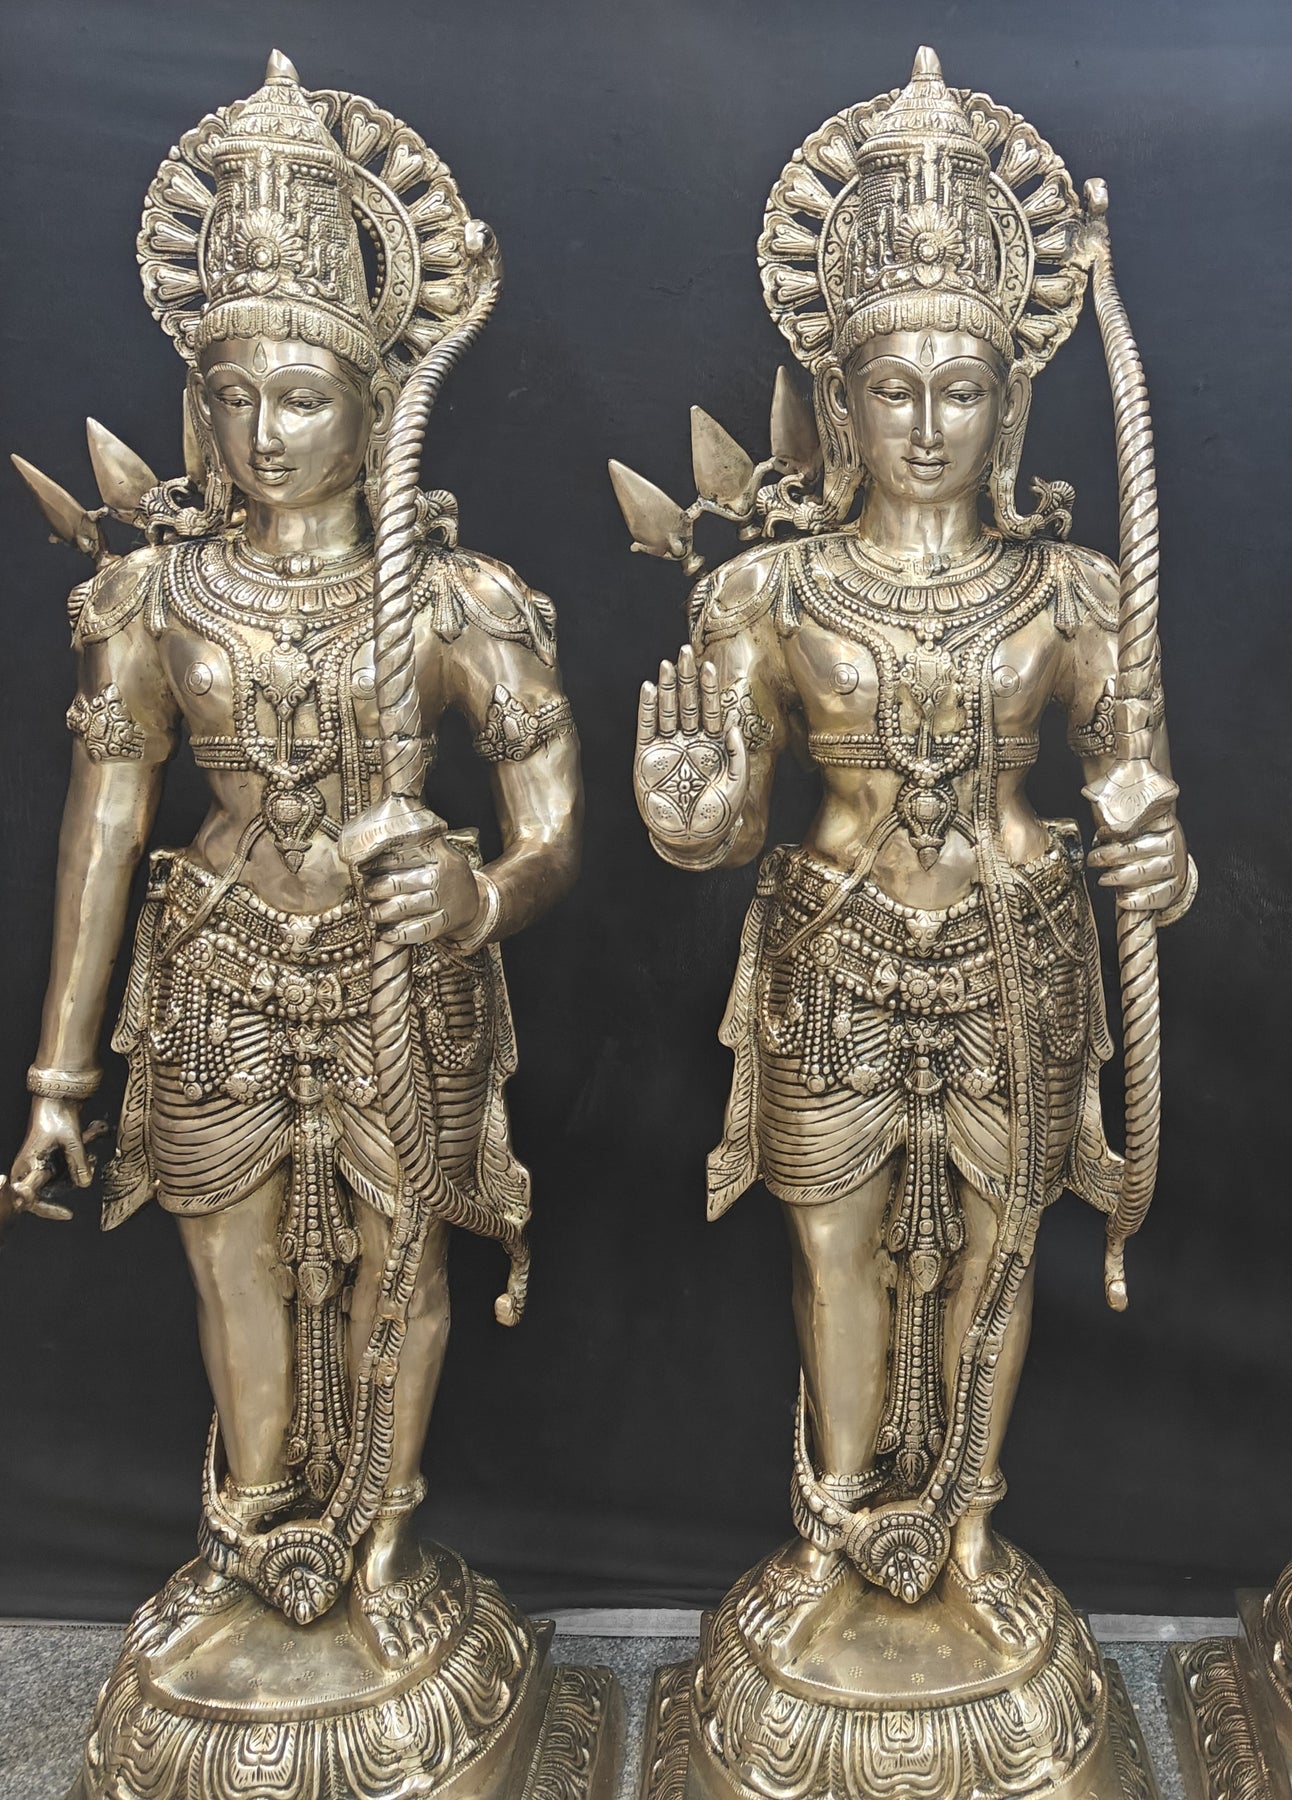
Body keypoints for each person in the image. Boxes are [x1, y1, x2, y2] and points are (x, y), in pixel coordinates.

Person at [3, 53, 581, 1664]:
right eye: (233, 396)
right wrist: (57, 1080)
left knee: (403, 1258)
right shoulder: (154, 600)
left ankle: (384, 1531)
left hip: (400, 967)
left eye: (305, 396)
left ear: (373, 402)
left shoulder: (460, 603)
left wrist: (482, 893)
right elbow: (103, 829)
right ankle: (258, 1522)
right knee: (232, 1260)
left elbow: (552, 825)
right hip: (218, 967)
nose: (264, 432)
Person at [628, 48, 1192, 1642]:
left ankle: (969, 1526)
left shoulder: (1077, 593)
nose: (929, 424)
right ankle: (836, 1518)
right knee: (835, 1251)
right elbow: (731, 814)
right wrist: (691, 817)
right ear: (841, 403)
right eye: (894, 389)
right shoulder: (763, 594)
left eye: (963, 389)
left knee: (1005, 1245)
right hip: (830, 951)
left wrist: (1163, 862)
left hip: (1020, 946)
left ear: (1009, 402)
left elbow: (1143, 802)